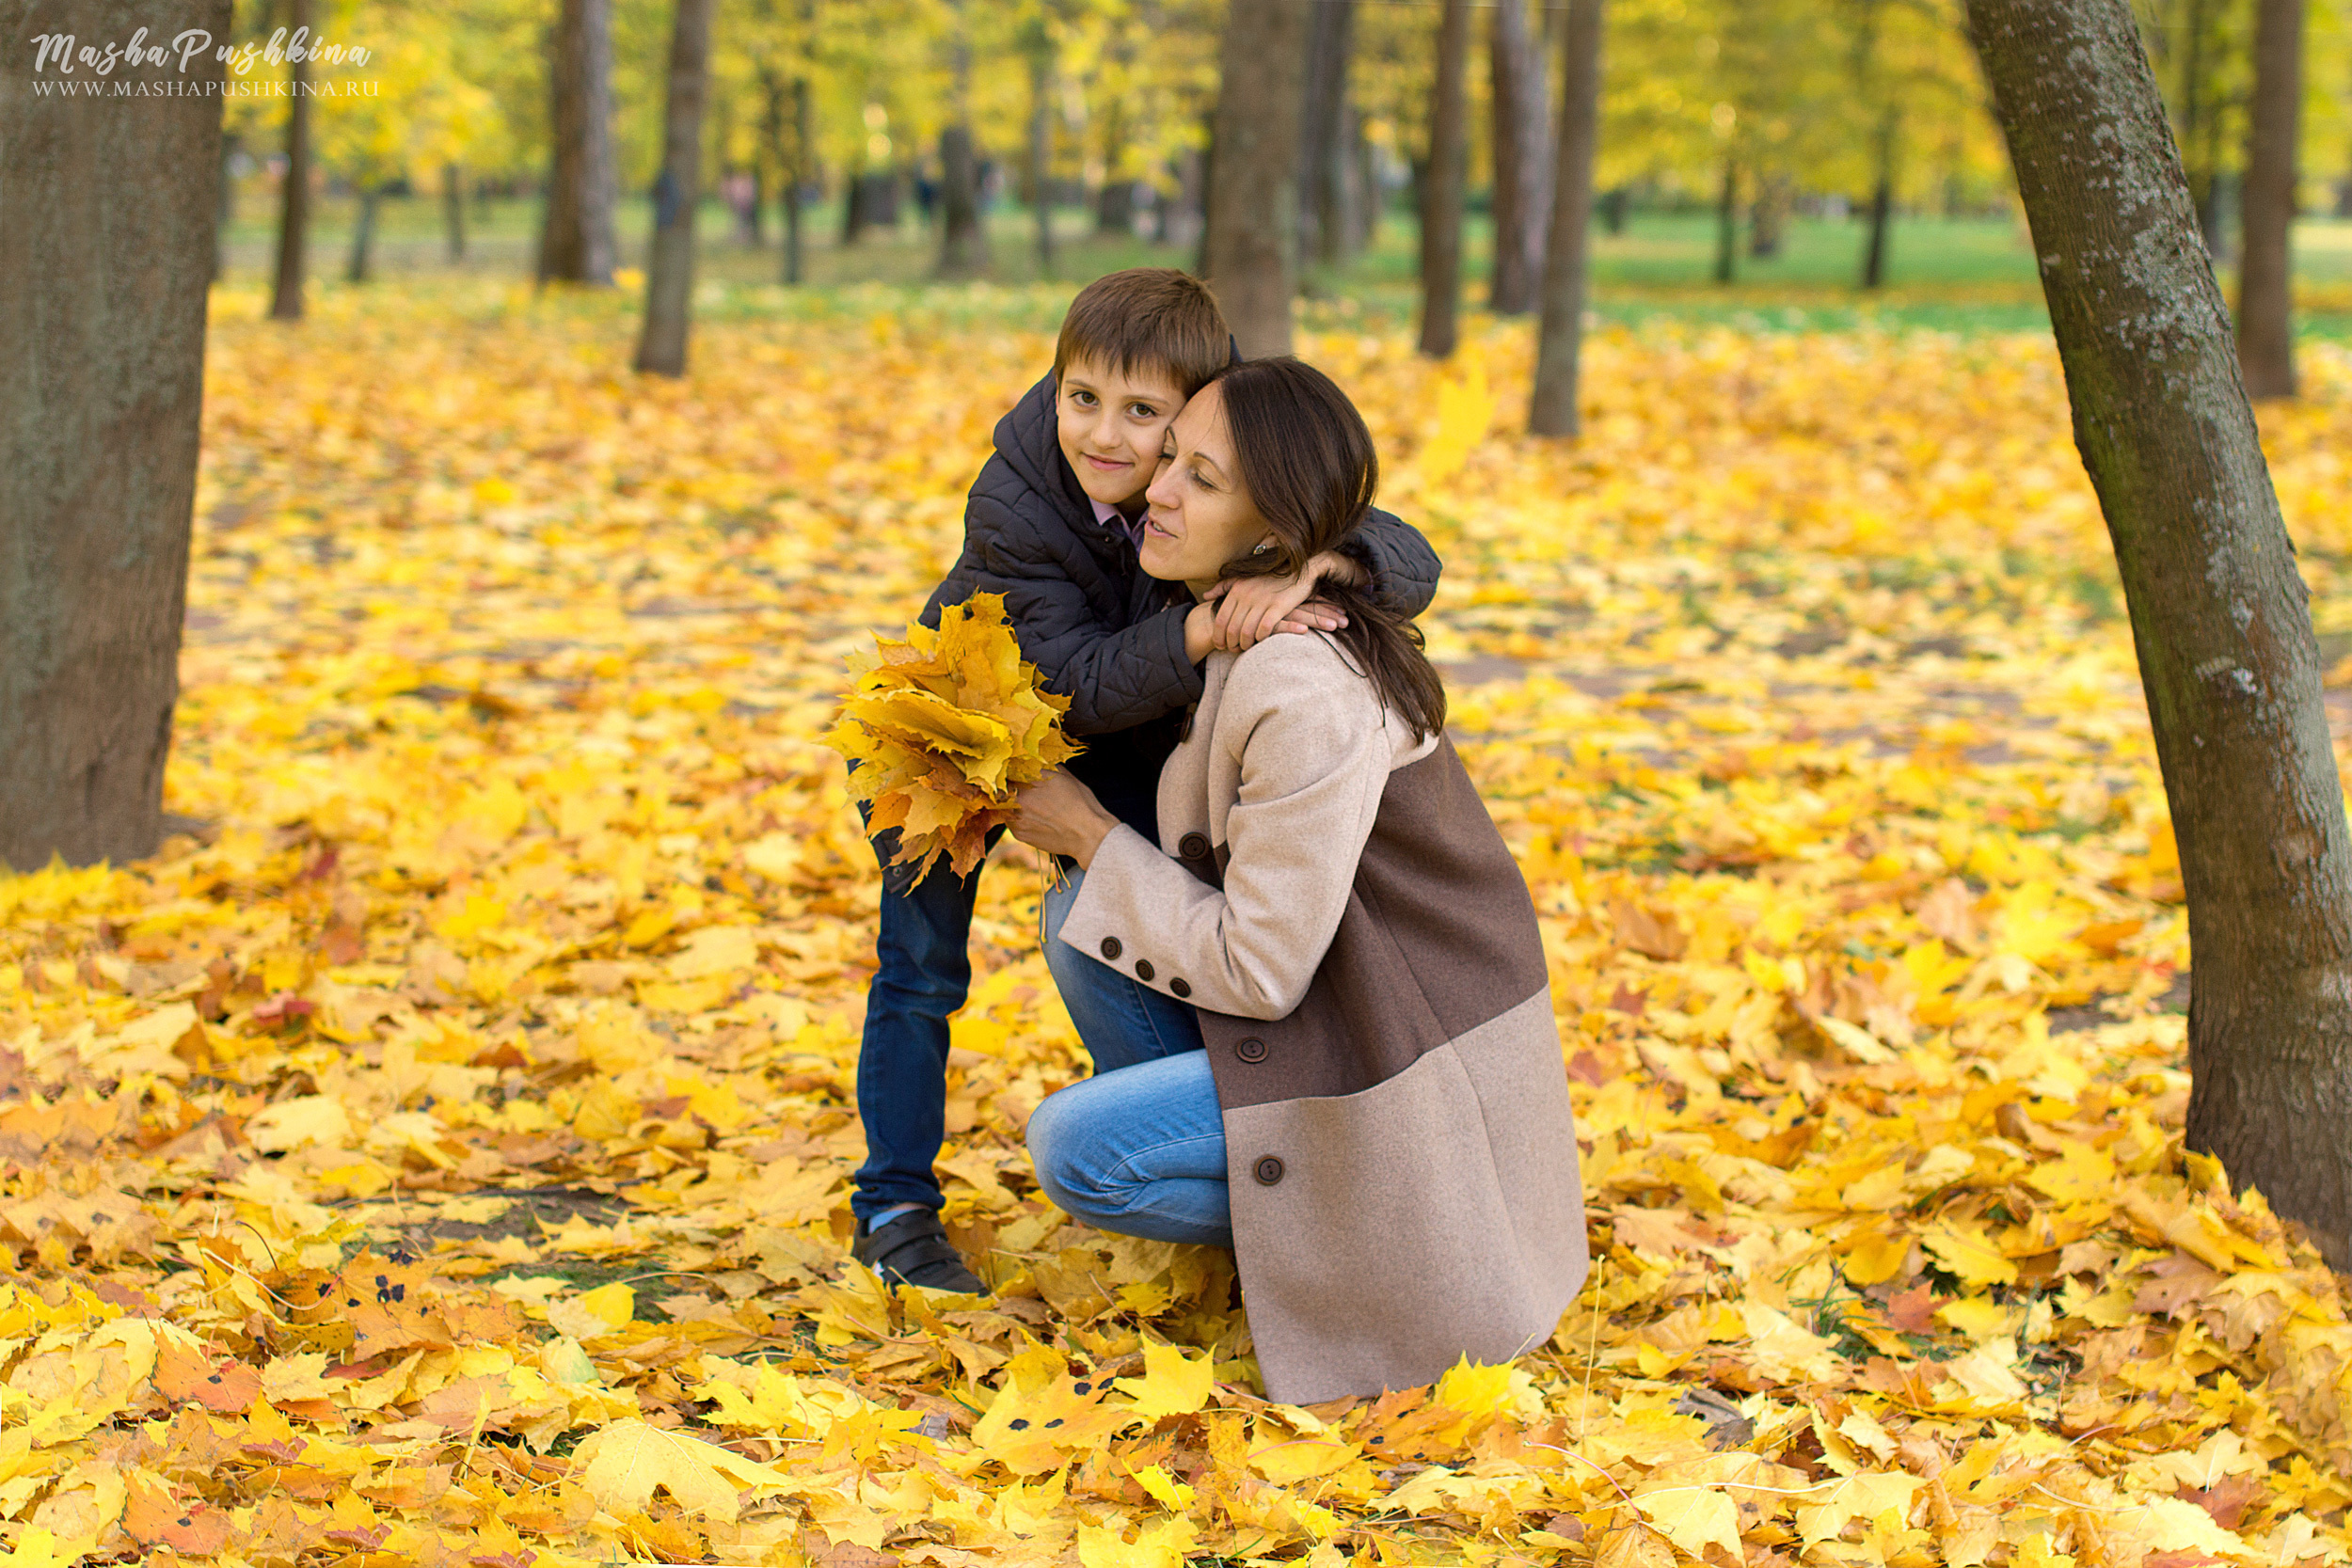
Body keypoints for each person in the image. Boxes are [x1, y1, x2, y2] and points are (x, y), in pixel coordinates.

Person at [849, 270, 1443, 1292]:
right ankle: (892, 1202)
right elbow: (1074, 679)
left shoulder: (1224, 436)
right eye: (1082, 398)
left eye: (1143, 414)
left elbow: (1404, 549)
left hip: (1117, 732)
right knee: (921, 969)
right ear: (1056, 384)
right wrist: (1204, 628)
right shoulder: (1017, 497)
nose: (1106, 437)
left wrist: (1321, 563)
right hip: (964, 727)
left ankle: (1170, 1132)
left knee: (1119, 906)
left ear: (1197, 407)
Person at [1009, 357, 1587, 1405]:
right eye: (1169, 458)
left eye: (1201, 478)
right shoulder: (1239, 613)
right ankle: (1284, 1214)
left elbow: (1263, 970)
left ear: (1276, 535)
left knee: (1079, 1150)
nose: (1157, 490)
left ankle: (1359, 1252)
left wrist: (1089, 831)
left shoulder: (1300, 683)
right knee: (1077, 919)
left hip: (1402, 1061)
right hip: (1348, 1002)